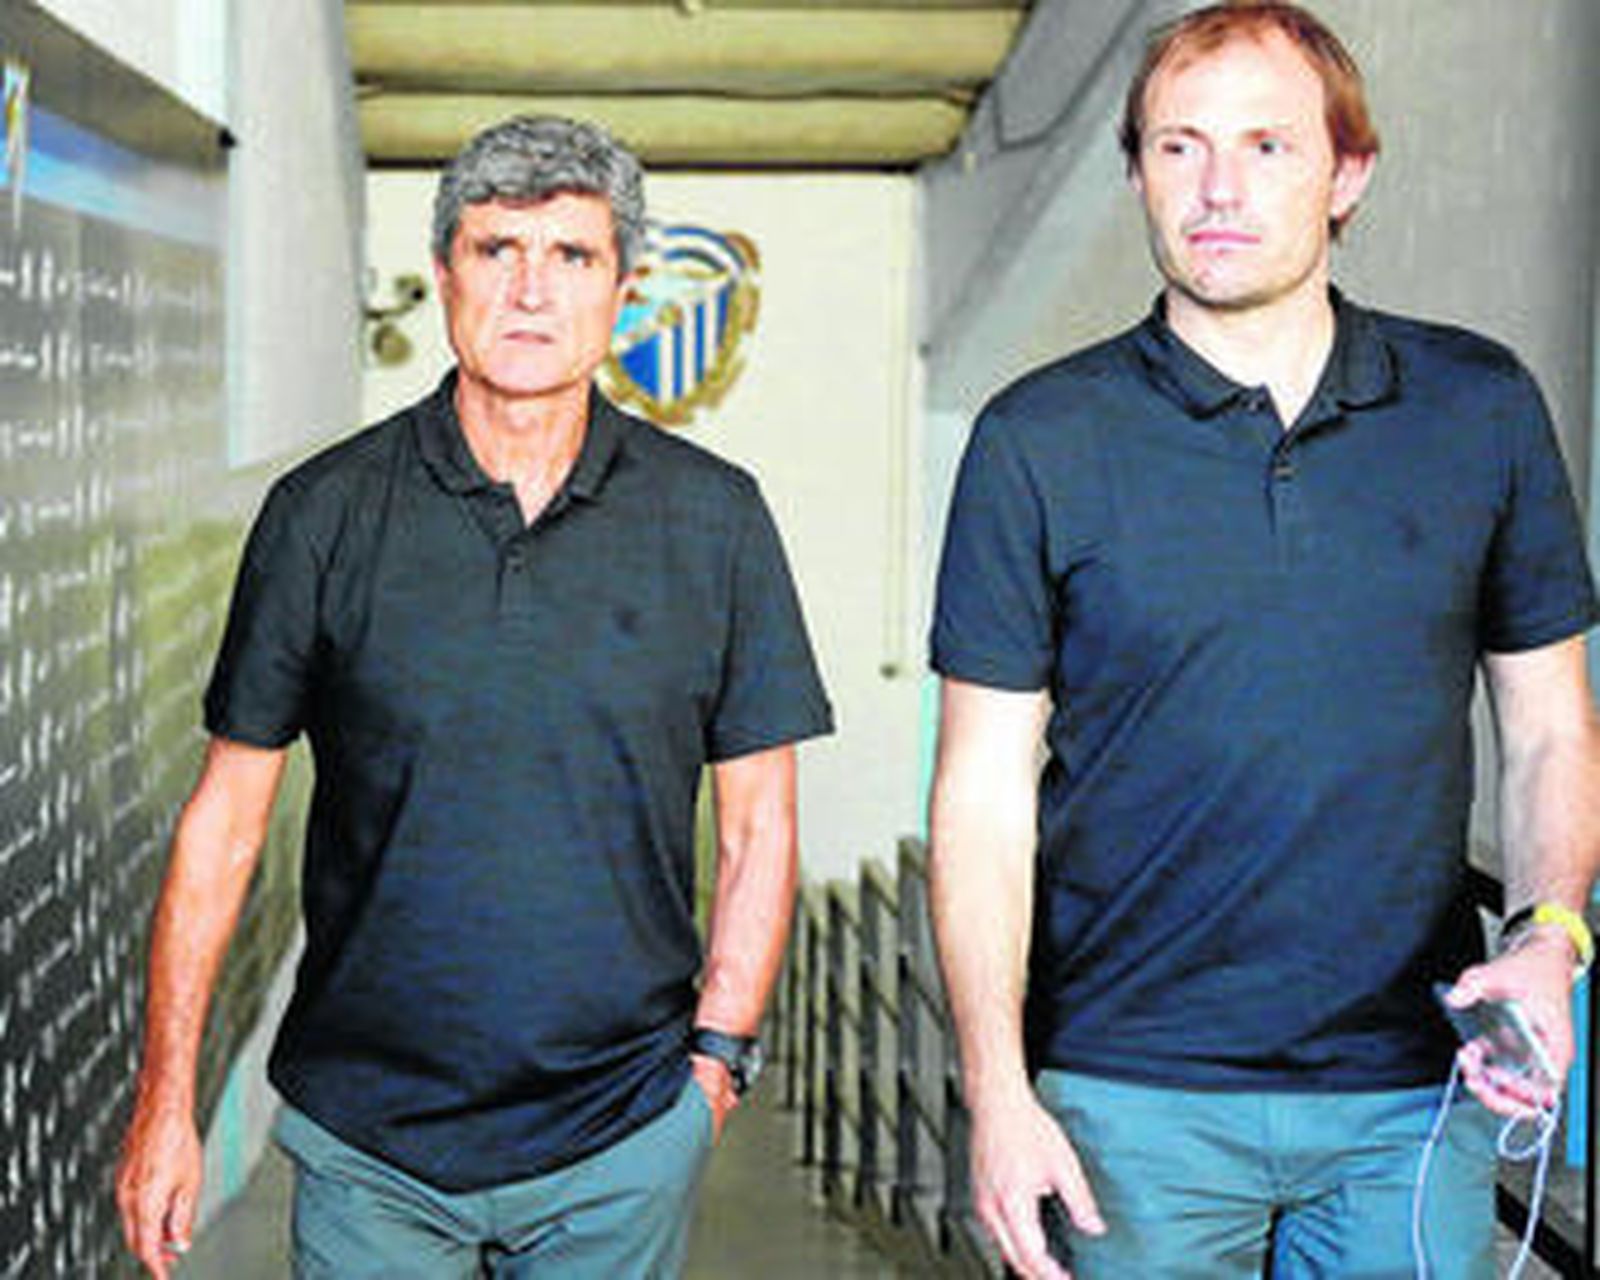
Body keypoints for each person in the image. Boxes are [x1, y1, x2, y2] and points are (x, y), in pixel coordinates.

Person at [927, 3, 1600, 1277]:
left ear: (1347, 175)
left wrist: (1546, 936)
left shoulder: (1479, 408)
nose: (1217, 188)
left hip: (1413, 1091)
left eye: (1266, 146)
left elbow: (1551, 726)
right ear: (1136, 172)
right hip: (1125, 1094)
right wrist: (995, 1089)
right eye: (1177, 147)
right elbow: (979, 794)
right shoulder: (1037, 439)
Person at [116, 115, 832, 1279]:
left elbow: (761, 822)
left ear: (623, 290)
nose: (531, 290)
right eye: (497, 249)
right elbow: (223, 822)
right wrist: (165, 1098)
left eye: (572, 255)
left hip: (620, 1139)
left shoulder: (716, 520)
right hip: (368, 1146)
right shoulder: (322, 514)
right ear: (444, 273)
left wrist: (716, 1062)